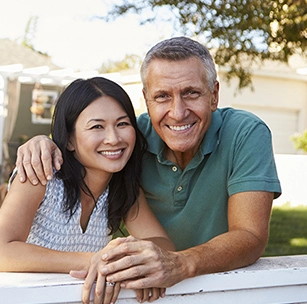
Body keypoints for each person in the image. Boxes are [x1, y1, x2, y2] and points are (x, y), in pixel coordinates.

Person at [15, 37, 282, 299]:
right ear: (147, 99)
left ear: (214, 95)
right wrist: (45, 143)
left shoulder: (245, 133)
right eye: (162, 96)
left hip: (221, 289)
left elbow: (249, 235)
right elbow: (87, 141)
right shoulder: (131, 139)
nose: (178, 112)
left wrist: (178, 263)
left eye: (191, 93)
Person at [0, 77, 175, 303]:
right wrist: (99, 260)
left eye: (122, 124)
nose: (113, 138)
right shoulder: (41, 175)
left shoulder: (121, 189)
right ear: (70, 139)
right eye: (97, 127)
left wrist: (126, 261)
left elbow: (165, 248)